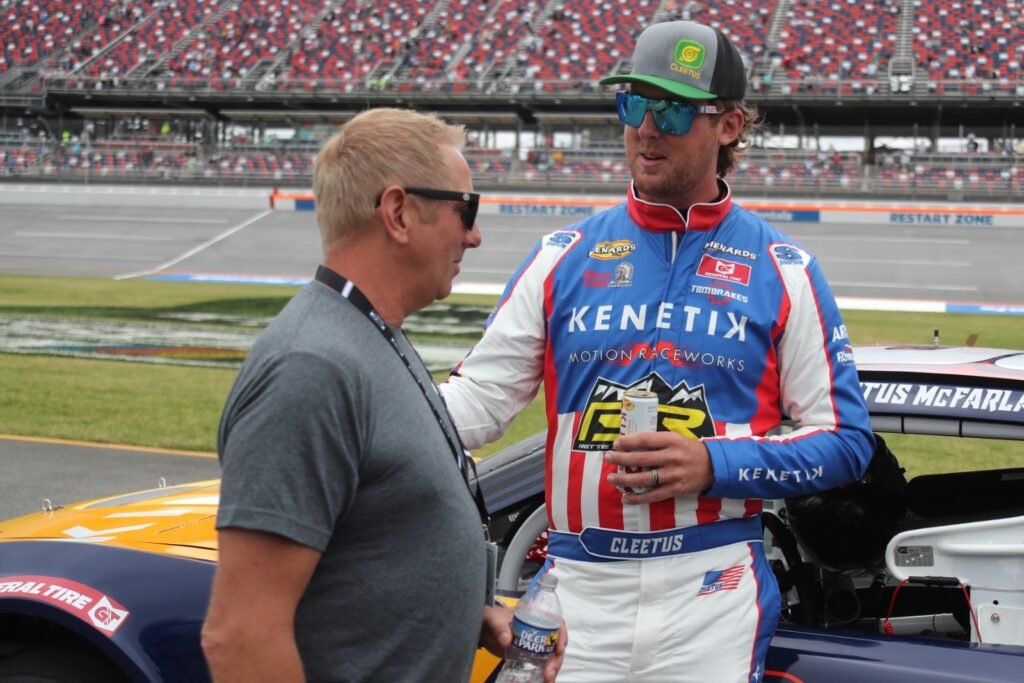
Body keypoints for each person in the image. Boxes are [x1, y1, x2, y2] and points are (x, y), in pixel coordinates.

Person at [440, 20, 874, 682]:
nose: (646, 127)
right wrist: (358, 410)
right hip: (574, 585)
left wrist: (714, 463)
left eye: (671, 107)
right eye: (633, 104)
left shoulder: (785, 269)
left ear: (728, 126)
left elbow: (845, 440)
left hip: (712, 586)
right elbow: (473, 404)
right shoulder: (563, 256)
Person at [201, 108, 564, 682]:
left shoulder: (369, 335)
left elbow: (365, 558)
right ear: (397, 212)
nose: (475, 233)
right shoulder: (311, 367)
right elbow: (241, 634)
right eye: (464, 209)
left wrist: (463, 617)